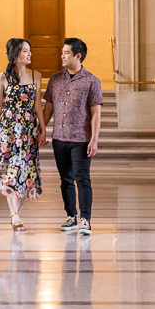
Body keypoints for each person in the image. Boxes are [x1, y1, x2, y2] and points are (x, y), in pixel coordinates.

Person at [0, 38, 46, 231]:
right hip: (8, 130)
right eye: (25, 51)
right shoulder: (2, 77)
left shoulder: (36, 76)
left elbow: (38, 105)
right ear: (15, 54)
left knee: (26, 171)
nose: (29, 54)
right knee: (10, 171)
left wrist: (43, 128)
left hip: (28, 130)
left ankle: (16, 215)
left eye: (30, 51)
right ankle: (15, 216)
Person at [43, 37, 102, 236]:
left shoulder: (92, 81)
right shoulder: (55, 79)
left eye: (66, 52)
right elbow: (48, 107)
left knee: (82, 178)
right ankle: (71, 216)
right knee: (65, 179)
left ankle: (85, 219)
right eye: (62, 52)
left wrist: (94, 139)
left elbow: (96, 112)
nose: (62, 56)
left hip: (81, 139)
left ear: (78, 55)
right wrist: (42, 129)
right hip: (59, 138)